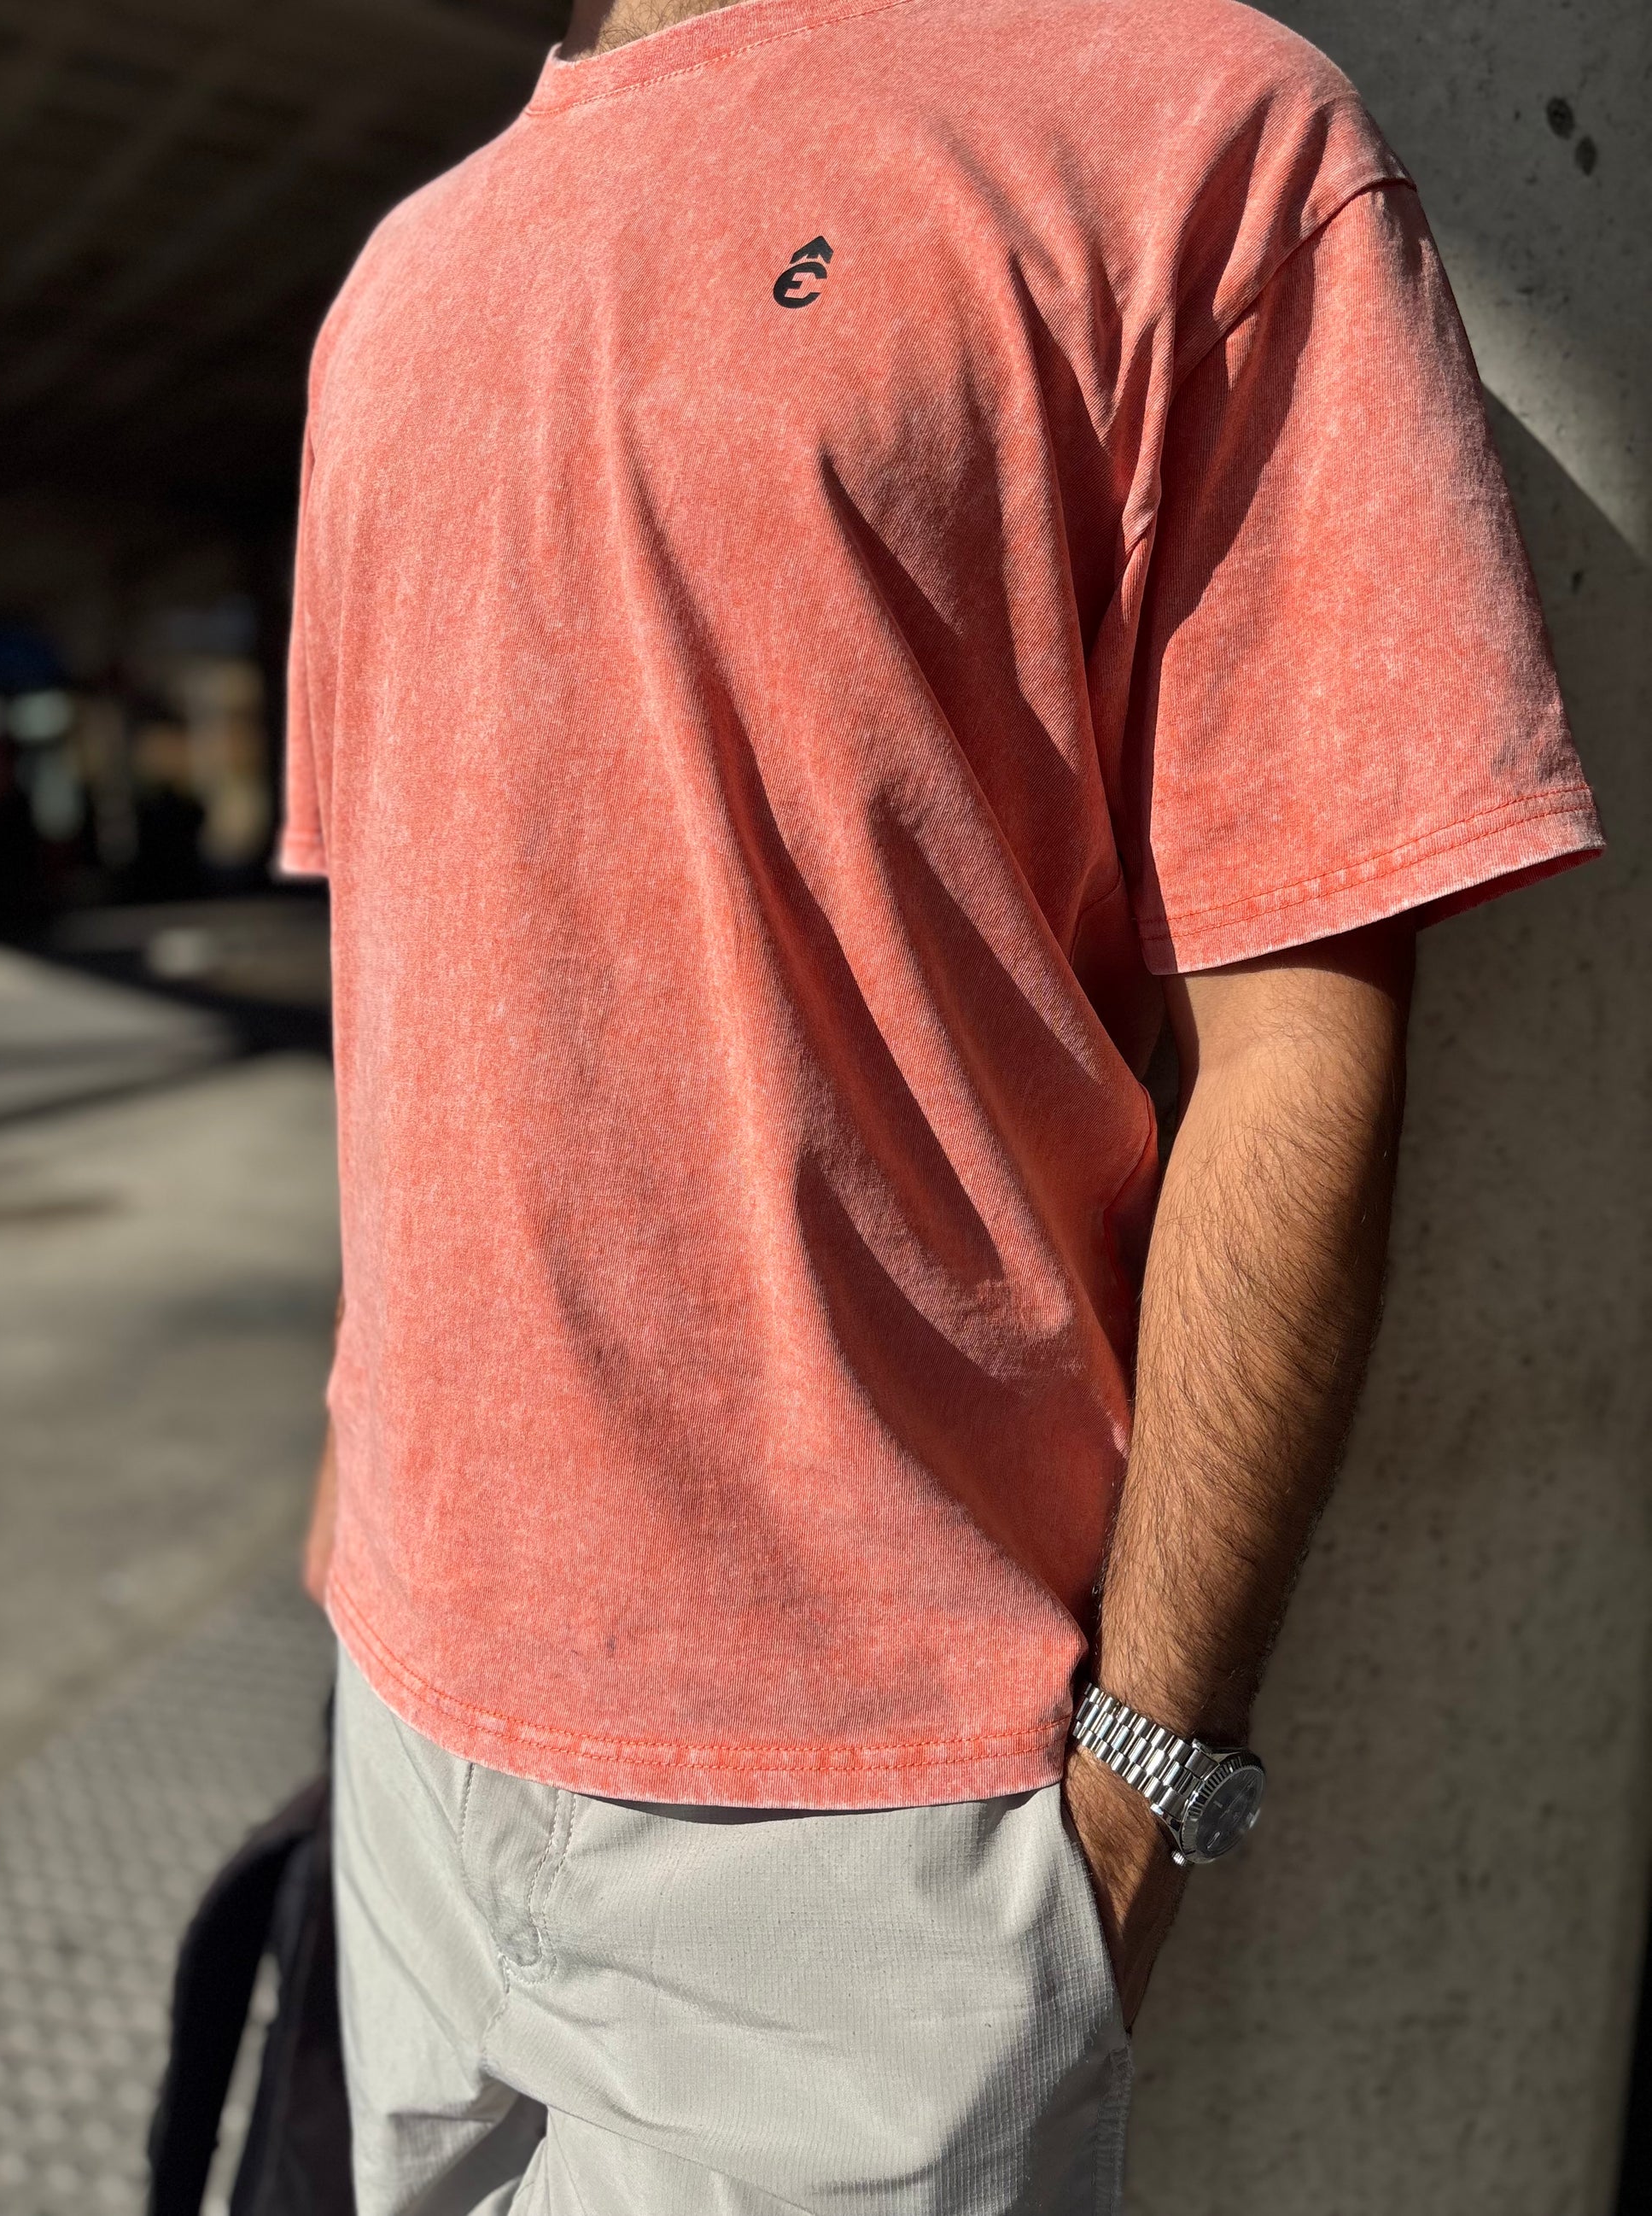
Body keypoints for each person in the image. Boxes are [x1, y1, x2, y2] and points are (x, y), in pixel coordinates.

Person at [280, 0, 1602, 2207]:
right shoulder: (398, 284)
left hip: (869, 1850)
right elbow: (419, 980)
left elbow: (1300, 1042)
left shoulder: (1195, 142)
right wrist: (350, 1548)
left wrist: (1139, 1795)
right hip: (409, 1733)